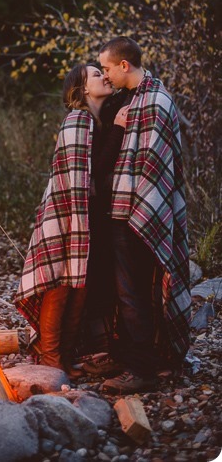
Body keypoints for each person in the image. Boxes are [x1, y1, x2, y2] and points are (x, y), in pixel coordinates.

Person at [83, 36, 191, 394]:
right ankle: (134, 356)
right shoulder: (132, 99)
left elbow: (154, 166)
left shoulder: (156, 102)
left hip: (139, 213)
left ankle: (142, 369)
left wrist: (136, 211)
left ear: (124, 65)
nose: (107, 74)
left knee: (134, 293)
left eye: (108, 67)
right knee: (127, 292)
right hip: (123, 212)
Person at [15, 63, 129, 375]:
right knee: (60, 283)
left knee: (79, 284)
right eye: (96, 74)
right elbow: (90, 173)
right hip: (66, 211)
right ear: (80, 90)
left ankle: (63, 357)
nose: (104, 77)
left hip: (83, 213)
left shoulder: (94, 122)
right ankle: (51, 358)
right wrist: (119, 129)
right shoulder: (78, 120)